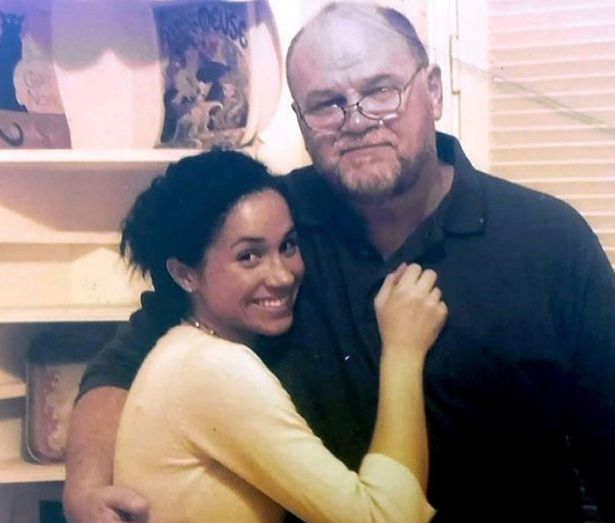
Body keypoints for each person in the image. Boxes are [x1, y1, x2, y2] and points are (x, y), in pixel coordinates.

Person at [63, 3, 615, 523]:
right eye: (327, 104)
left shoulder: (548, 238)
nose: (356, 120)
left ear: (432, 92)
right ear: (301, 120)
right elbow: (121, 365)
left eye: (381, 92)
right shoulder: (272, 224)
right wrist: (85, 486)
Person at [114, 149, 442, 522]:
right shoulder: (213, 367)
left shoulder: (183, 349)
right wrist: (403, 353)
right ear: (185, 274)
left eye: (287, 246)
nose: (283, 275)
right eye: (249, 257)